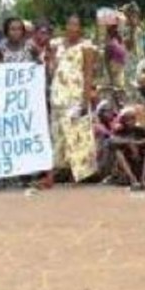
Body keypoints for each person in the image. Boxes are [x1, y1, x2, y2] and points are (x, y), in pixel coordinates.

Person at [47, 15, 96, 186]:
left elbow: (88, 72)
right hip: (58, 94)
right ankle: (59, 171)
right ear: (65, 26)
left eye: (76, 24)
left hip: (76, 94)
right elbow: (52, 67)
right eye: (70, 24)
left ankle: (79, 174)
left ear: (80, 28)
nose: (73, 27)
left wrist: (86, 97)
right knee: (59, 133)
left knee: (77, 133)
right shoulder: (56, 44)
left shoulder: (86, 46)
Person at [109, 105, 145, 191]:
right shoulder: (120, 131)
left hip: (139, 162)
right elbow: (112, 140)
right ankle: (132, 179)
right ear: (123, 121)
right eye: (127, 119)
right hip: (127, 165)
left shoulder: (140, 130)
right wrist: (128, 143)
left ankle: (143, 179)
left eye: (132, 119)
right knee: (118, 152)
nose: (129, 121)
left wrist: (137, 143)